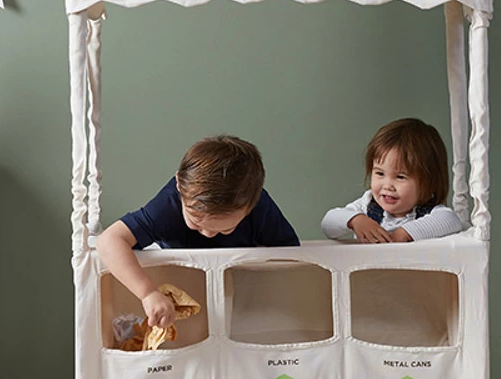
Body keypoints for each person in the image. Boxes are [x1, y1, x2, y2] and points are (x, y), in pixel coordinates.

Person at [96, 135, 298, 329]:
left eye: (227, 229)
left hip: (235, 285)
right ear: (179, 185)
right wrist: (148, 292)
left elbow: (290, 256)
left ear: (251, 206)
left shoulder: (258, 205)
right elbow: (109, 241)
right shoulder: (168, 205)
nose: (208, 234)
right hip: (180, 280)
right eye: (196, 223)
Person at [321, 118, 463, 243]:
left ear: (428, 182)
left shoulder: (430, 212)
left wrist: (405, 233)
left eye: (400, 177)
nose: (387, 185)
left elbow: (451, 220)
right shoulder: (367, 205)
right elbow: (328, 223)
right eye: (380, 173)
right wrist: (355, 220)